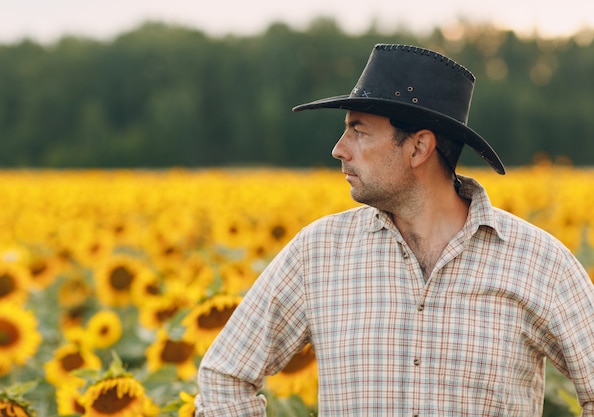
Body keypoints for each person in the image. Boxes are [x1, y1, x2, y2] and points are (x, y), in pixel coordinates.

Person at [194, 44, 594, 416]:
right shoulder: (317, 254)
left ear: (418, 148)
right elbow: (224, 378)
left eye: (359, 130)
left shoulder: (540, 264)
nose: (340, 148)